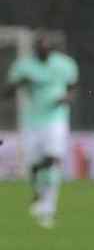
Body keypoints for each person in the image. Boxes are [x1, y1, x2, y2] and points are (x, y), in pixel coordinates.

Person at [4, 33, 78, 228]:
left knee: (53, 158)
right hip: (31, 120)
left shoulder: (65, 65)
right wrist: (20, 82)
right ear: (35, 49)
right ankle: (38, 194)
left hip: (56, 119)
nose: (43, 52)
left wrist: (66, 99)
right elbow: (7, 92)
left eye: (46, 49)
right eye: (40, 49)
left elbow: (73, 88)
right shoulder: (24, 66)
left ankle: (49, 207)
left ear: (51, 49)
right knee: (34, 163)